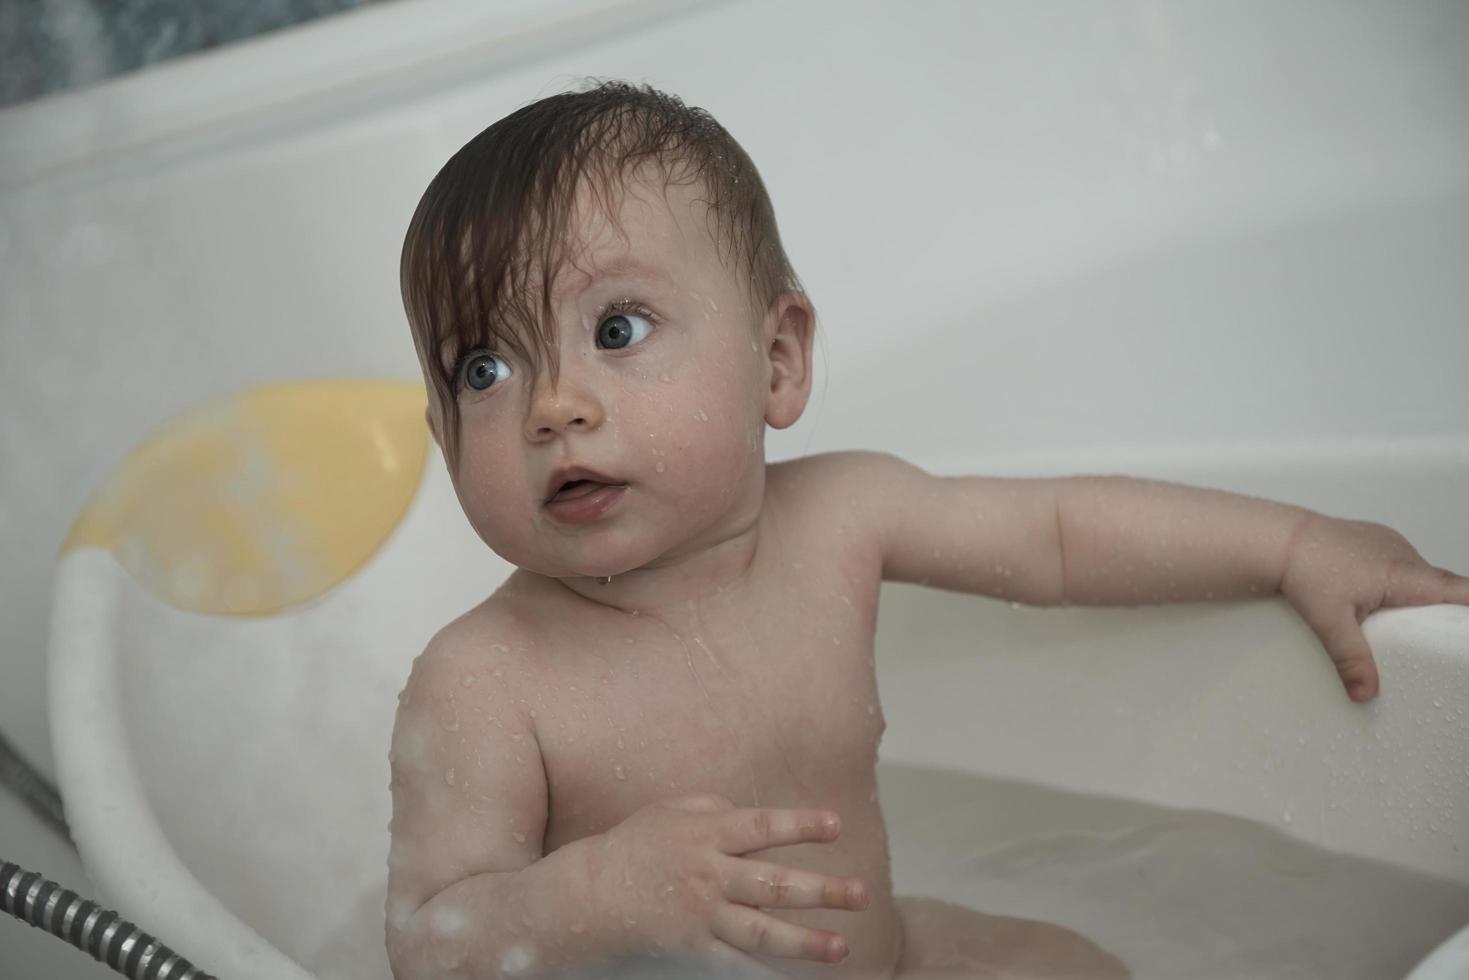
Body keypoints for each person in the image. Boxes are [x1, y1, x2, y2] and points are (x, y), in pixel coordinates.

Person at [384, 82, 1469, 980]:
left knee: (1071, 969)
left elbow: (1058, 534)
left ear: (776, 361)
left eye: (616, 328)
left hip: (885, 957)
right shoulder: (488, 677)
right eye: (485, 366)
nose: (553, 403)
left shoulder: (838, 518)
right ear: (442, 434)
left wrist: (1290, 548)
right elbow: (427, 942)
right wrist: (599, 891)